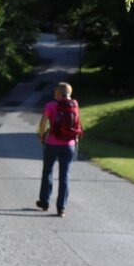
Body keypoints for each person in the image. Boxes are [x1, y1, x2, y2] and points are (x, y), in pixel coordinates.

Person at [36, 82, 82, 217]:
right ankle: (61, 208)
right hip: (69, 145)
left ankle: (44, 202)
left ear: (57, 93)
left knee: (48, 171)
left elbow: (43, 122)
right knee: (65, 176)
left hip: (52, 144)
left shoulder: (50, 105)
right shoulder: (74, 105)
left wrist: (41, 135)